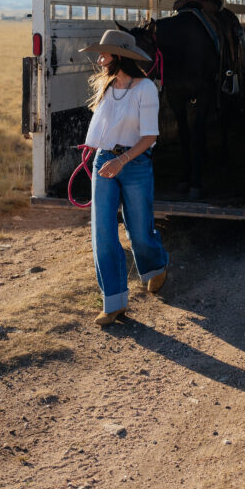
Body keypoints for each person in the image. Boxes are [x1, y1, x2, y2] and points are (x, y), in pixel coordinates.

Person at [79, 29, 168, 326]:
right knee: (103, 233)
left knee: (139, 232)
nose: (100, 59)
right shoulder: (106, 88)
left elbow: (150, 136)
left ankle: (156, 266)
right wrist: (103, 153)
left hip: (135, 162)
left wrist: (122, 160)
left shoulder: (145, 88)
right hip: (105, 160)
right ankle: (114, 301)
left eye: (104, 54)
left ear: (119, 56)